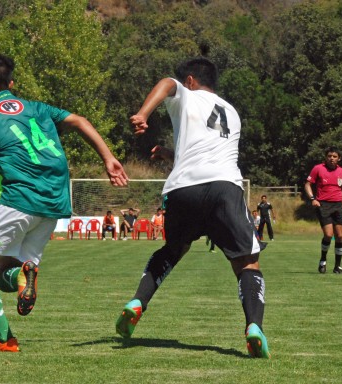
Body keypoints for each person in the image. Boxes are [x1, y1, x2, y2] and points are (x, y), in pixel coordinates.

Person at [0, 53, 128, 352]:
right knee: (5, 275)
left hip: (17, 198)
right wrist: (108, 158)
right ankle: (24, 277)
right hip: (53, 203)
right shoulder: (36, 107)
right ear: (11, 84)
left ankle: (5, 339)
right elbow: (79, 120)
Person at [115, 57, 270, 358]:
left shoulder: (185, 93)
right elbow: (210, 153)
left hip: (183, 188)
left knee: (173, 250)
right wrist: (172, 153)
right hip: (224, 187)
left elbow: (166, 83)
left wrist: (143, 113)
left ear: (190, 80)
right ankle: (254, 327)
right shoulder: (233, 113)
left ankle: (137, 302)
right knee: (247, 264)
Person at [304, 147, 342, 274]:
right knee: (328, 235)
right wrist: (313, 198)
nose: (331, 158)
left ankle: (337, 266)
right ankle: (323, 261)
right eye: (329, 156)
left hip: (338, 205)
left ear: (339, 158)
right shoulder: (318, 168)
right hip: (323, 205)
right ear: (326, 157)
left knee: (339, 236)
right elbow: (307, 184)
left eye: (334, 156)